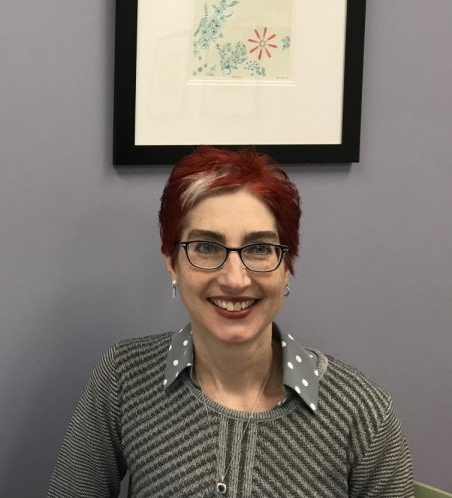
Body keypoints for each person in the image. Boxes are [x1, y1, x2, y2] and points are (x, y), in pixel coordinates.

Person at [47, 147, 413, 498]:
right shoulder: (123, 378)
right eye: (206, 247)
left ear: (287, 267)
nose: (235, 279)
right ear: (172, 263)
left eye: (259, 248)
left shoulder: (363, 413)